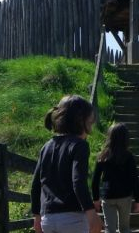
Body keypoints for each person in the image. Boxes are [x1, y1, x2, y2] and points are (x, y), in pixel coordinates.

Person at [31, 95, 101, 233]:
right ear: (81, 121)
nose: (90, 129)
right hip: (73, 217)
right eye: (90, 123)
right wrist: (91, 214)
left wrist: (36, 216)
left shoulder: (46, 146)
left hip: (48, 219)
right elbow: (78, 182)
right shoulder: (79, 145)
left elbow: (36, 185)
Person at [91, 123, 139, 233]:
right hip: (125, 196)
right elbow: (135, 179)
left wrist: (95, 198)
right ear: (125, 138)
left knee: (109, 228)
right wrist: (138, 200)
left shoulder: (103, 156)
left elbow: (95, 180)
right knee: (125, 228)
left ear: (109, 137)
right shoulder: (129, 156)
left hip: (108, 196)